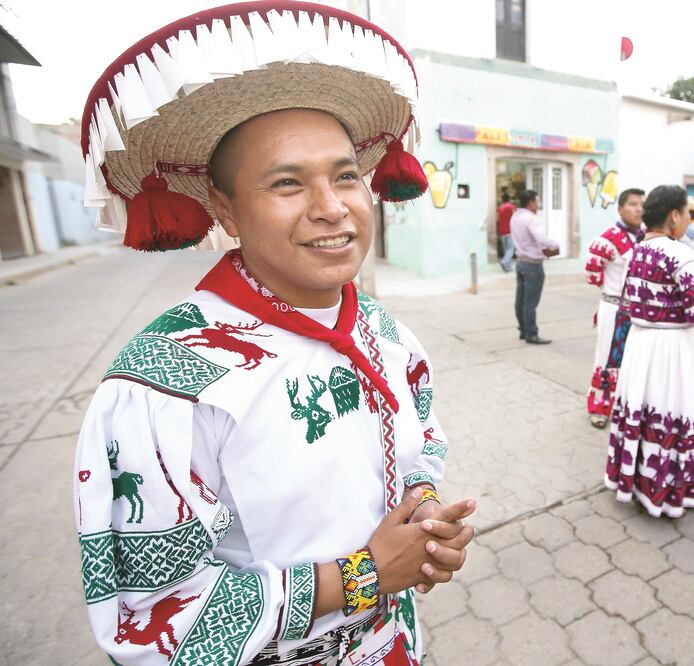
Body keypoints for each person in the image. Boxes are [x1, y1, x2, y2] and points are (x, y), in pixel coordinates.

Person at [72, 5, 475, 664]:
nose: (331, 207)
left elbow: (421, 449)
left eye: (345, 175)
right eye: (287, 183)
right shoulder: (162, 386)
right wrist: (364, 575)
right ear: (224, 208)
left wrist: (424, 514)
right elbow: (146, 620)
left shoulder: (386, 335)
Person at [605, 185, 694, 517]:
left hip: (641, 345)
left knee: (643, 409)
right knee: (671, 408)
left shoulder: (639, 249)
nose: (687, 220)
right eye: (685, 213)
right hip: (672, 349)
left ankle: (635, 482)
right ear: (674, 216)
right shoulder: (678, 252)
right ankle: (665, 492)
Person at [584, 188, 645, 428]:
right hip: (613, 307)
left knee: (633, 360)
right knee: (607, 358)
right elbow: (591, 275)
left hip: (639, 311)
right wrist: (612, 292)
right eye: (632, 203)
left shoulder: (645, 237)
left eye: (642, 203)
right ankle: (599, 407)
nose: (639, 208)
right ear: (620, 208)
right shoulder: (607, 240)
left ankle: (625, 407)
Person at [511, 189, 560, 344]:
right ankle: (531, 333)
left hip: (520, 262)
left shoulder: (515, 217)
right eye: (537, 201)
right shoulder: (531, 219)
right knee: (530, 303)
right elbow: (542, 239)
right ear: (531, 202)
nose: (538, 205)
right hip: (533, 264)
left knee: (520, 300)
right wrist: (556, 244)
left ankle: (523, 330)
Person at [497, 192, 516, 272]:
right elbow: (515, 218)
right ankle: (504, 262)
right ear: (509, 199)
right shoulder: (512, 207)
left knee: (506, 250)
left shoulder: (499, 208)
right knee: (511, 249)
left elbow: (498, 220)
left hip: (502, 231)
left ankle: (508, 267)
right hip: (510, 230)